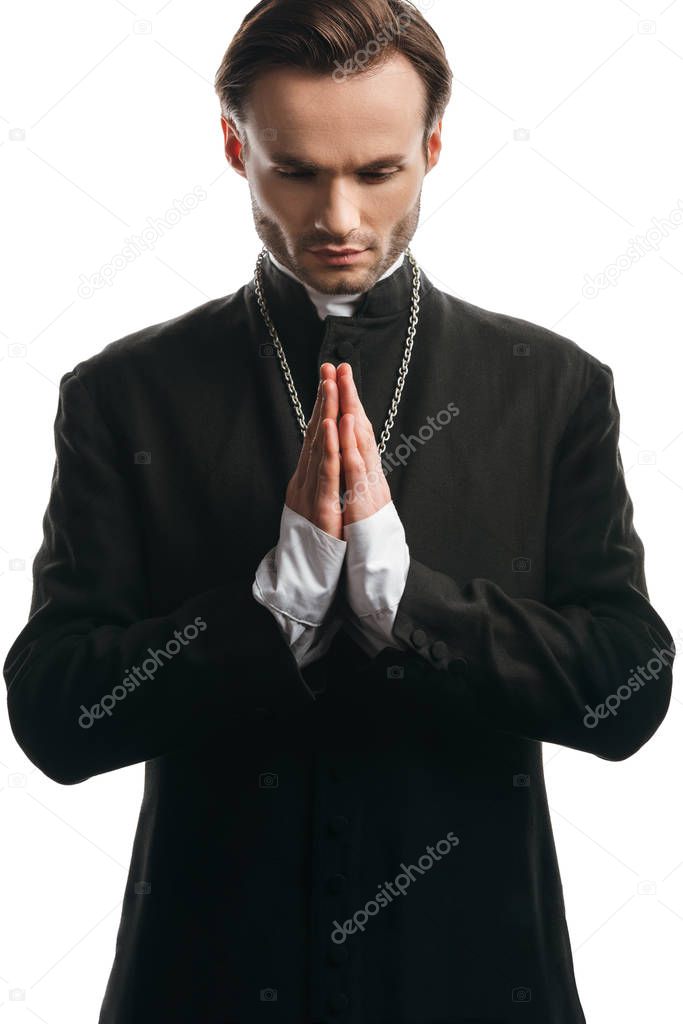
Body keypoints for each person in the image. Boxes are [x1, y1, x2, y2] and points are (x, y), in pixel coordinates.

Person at [4, 1, 675, 1022]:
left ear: (433, 145)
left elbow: (627, 693)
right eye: (298, 171)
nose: (339, 221)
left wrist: (409, 602)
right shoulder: (124, 394)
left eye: (377, 171)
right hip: (203, 987)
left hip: (479, 985)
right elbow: (55, 715)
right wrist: (268, 613)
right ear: (235, 146)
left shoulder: (552, 386)